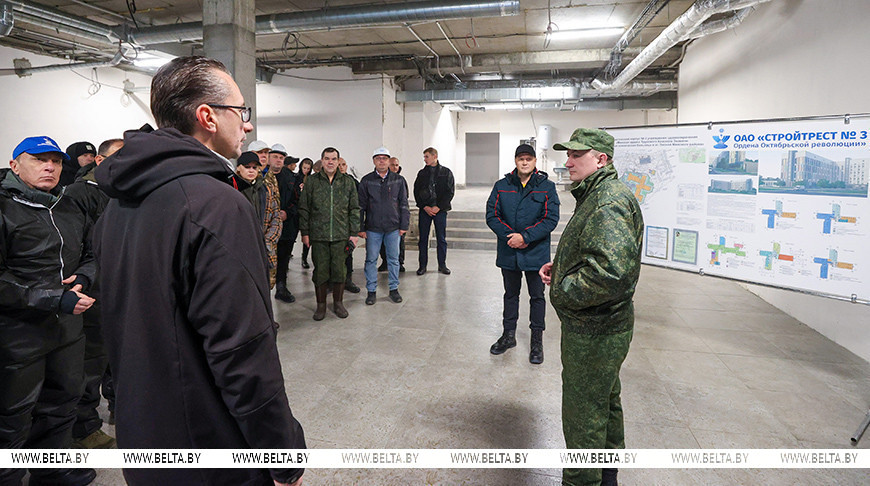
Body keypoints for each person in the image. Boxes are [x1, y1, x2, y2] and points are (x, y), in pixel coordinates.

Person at [92, 56, 305, 486]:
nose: (247, 125)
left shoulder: (119, 202)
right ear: (207, 116)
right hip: (209, 447)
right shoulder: (215, 205)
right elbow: (242, 349)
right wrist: (283, 456)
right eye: (241, 111)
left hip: (145, 435)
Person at [539, 128, 643, 486]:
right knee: (605, 402)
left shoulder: (607, 202)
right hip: (603, 325)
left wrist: (563, 288)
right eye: (567, 155)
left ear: (601, 159)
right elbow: (600, 255)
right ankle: (607, 477)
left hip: (594, 331)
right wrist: (563, 266)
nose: (567, 162)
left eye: (576, 155)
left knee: (584, 413)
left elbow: (611, 273)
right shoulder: (599, 193)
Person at [1, 136, 97, 486]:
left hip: (67, 328)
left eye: (55, 161)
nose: (50, 167)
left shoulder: (68, 205)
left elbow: (93, 252)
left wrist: (85, 276)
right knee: (12, 411)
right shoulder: (4, 208)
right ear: (14, 165)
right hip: (17, 331)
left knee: (63, 399)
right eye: (39, 159)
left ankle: (51, 470)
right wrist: (53, 298)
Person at [65, 138, 124, 449]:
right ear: (100, 161)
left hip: (124, 288)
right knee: (92, 361)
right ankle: (85, 426)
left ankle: (121, 408)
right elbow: (81, 246)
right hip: (95, 289)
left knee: (121, 357)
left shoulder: (126, 190)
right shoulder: (80, 193)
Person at [486, 143, 560, 364]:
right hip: (509, 251)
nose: (525, 162)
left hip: (536, 253)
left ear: (535, 161)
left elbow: (550, 219)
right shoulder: (502, 186)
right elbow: (492, 215)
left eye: (529, 159)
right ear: (516, 161)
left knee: (537, 297)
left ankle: (537, 341)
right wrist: (511, 237)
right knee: (510, 295)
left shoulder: (546, 187)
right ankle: (508, 336)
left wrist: (525, 237)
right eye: (521, 159)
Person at [298, 148, 360, 320]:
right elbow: (304, 208)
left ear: (338, 161)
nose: (330, 162)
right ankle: (321, 306)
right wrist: (305, 232)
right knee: (320, 271)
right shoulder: (312, 182)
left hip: (341, 235)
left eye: (333, 159)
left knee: (340, 271)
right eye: (327, 159)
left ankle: (338, 303)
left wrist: (354, 233)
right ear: (322, 161)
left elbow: (354, 209)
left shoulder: (348, 182)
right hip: (319, 235)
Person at [358, 147, 410, 305]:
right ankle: (371, 291)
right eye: (378, 158)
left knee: (394, 260)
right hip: (373, 228)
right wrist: (360, 228)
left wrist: (404, 225)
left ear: (389, 161)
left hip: (393, 228)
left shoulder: (398, 180)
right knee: (371, 260)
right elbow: (360, 206)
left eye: (384, 158)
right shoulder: (366, 180)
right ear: (374, 161)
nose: (381, 161)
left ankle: (394, 289)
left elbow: (404, 203)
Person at [236, 151, 283, 294]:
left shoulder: (266, 189)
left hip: (264, 250)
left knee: (263, 289)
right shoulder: (231, 189)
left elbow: (276, 217)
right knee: (242, 291)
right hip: (240, 250)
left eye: (254, 167)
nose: (251, 170)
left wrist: (268, 241)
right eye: (247, 167)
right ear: (238, 168)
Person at [413, 146, 454, 275]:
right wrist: (424, 206)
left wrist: (439, 207)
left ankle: (442, 265)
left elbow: (450, 192)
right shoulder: (422, 173)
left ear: (434, 156)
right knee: (423, 239)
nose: (425, 159)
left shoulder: (446, 173)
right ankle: (422, 266)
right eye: (424, 157)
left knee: (441, 239)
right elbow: (416, 191)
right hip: (425, 210)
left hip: (440, 210)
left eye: (427, 156)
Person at [269, 144, 298, 304]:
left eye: (281, 157)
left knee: (283, 258)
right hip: (265, 228)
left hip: (286, 227)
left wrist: (287, 212)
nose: (278, 160)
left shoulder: (291, 179)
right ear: (269, 158)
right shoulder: (260, 177)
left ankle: (281, 287)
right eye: (275, 157)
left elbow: (297, 200)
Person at [378, 156, 407, 272]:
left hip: (397, 218)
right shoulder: (380, 180)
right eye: (392, 165)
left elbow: (404, 200)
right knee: (383, 242)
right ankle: (385, 262)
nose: (395, 167)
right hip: (382, 218)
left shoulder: (401, 180)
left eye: (396, 165)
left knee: (399, 243)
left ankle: (400, 262)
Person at [338, 157, 361, 294]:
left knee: (348, 253)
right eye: (339, 165)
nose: (341, 167)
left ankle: (348, 280)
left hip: (347, 224)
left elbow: (358, 204)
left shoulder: (352, 182)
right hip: (332, 225)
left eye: (343, 164)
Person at [295, 158, 314, 269]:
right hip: (296, 209)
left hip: (307, 210)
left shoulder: (311, 180)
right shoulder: (296, 178)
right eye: (304, 168)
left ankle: (304, 258)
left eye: (308, 168)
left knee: (307, 236)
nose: (306, 170)